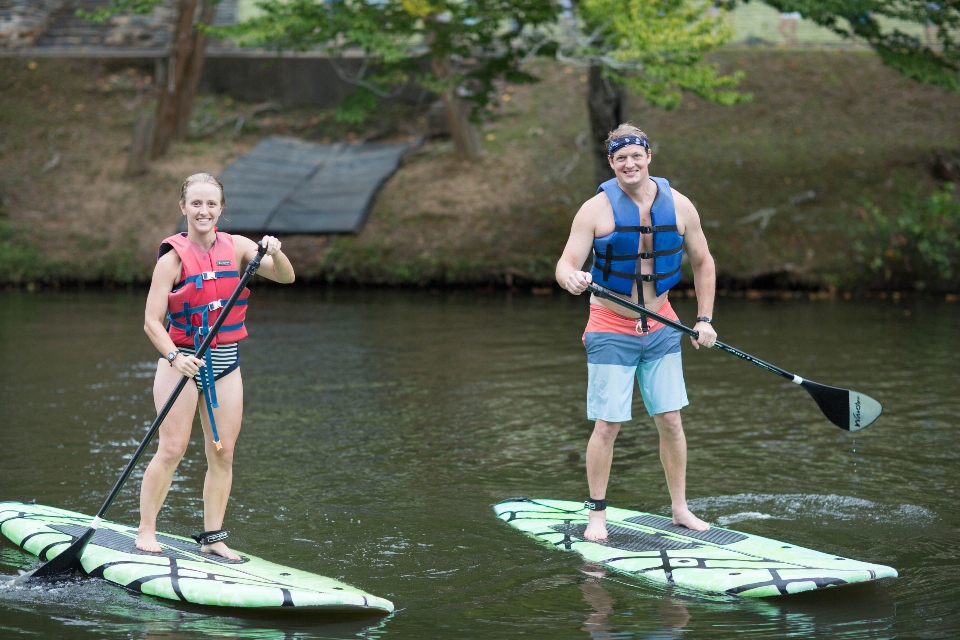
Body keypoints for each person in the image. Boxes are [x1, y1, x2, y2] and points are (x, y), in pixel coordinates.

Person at [555, 124, 717, 541]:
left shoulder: (680, 206)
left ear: (648, 157)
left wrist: (704, 319)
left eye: (636, 156)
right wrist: (571, 278)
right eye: (620, 158)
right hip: (610, 325)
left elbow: (703, 263)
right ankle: (597, 514)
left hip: (662, 323)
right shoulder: (595, 210)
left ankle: (680, 509)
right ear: (611, 163)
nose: (629, 163)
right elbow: (566, 263)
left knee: (671, 421)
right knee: (607, 426)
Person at [136, 173, 295, 559]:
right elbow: (151, 322)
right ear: (183, 208)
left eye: (211, 204)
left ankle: (213, 539)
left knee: (222, 453)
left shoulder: (241, 247)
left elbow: (287, 277)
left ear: (221, 209)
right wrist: (176, 356)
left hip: (226, 365)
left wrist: (274, 251)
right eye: (196, 204)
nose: (203, 211)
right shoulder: (172, 259)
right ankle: (146, 530)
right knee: (172, 449)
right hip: (182, 365)